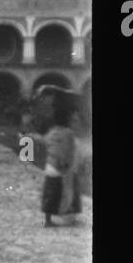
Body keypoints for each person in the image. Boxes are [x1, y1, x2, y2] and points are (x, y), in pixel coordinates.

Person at [35, 86, 82, 227]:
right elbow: (68, 151)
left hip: (49, 166)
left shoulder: (51, 132)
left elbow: (45, 142)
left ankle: (48, 220)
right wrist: (65, 165)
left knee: (49, 194)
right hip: (61, 166)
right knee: (70, 189)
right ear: (67, 120)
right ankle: (69, 215)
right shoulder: (68, 133)